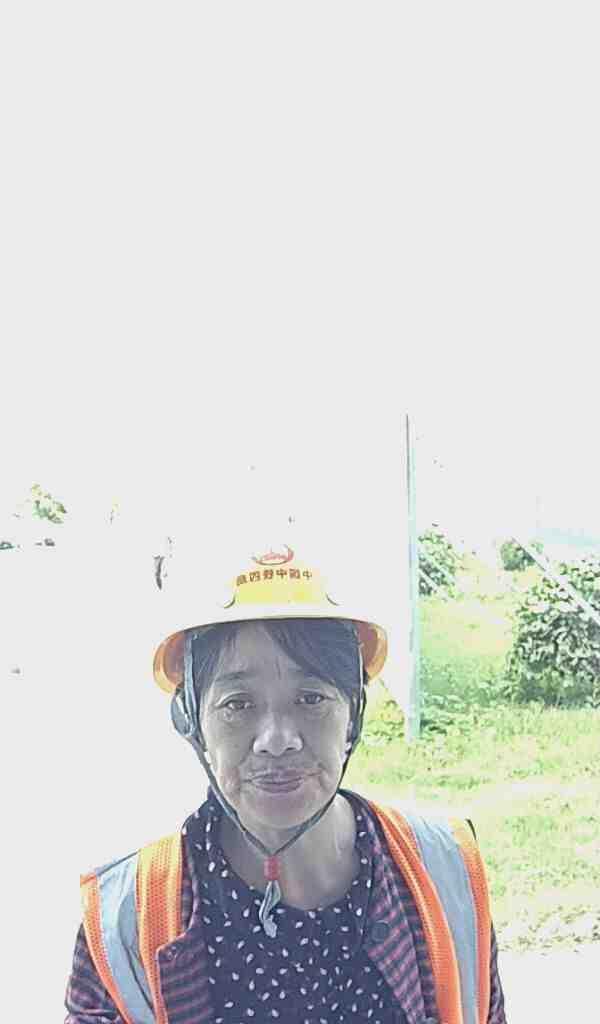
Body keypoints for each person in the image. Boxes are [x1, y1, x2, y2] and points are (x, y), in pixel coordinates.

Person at [64, 545, 506, 1024]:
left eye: (310, 698)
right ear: (191, 720)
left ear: (353, 714)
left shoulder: (444, 869)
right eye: (238, 704)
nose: (276, 741)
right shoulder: (126, 917)